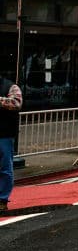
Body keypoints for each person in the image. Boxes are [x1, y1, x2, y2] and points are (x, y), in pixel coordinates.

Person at [0, 76, 23, 213]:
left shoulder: (10, 86)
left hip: (4, 133)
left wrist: (0, 100)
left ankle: (2, 199)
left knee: (5, 166)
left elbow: (17, 102)